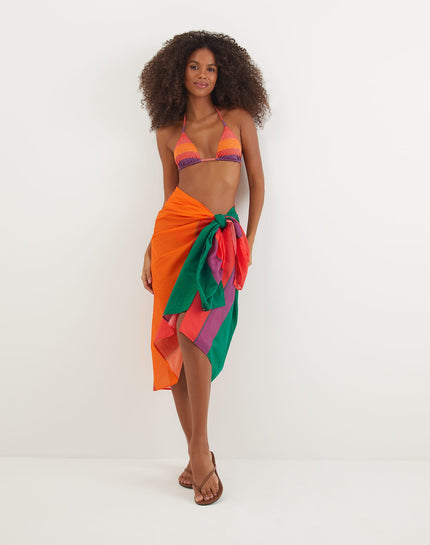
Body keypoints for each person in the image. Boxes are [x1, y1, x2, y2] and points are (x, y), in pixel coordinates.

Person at [138, 30, 269, 505]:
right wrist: (151, 249)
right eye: (194, 66)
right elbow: (169, 196)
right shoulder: (167, 132)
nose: (202, 74)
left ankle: (198, 451)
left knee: (198, 336)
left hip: (221, 242)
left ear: (223, 73)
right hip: (176, 238)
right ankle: (199, 452)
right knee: (180, 336)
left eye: (211, 68)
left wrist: (248, 239)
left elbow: (257, 184)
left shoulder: (239, 119)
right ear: (179, 72)